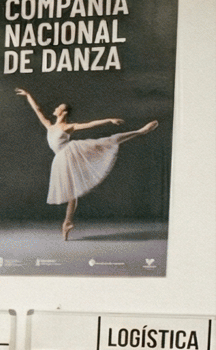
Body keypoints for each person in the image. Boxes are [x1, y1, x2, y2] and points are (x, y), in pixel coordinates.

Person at [12, 87, 160, 240]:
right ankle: (67, 222)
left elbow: (91, 123)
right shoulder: (49, 125)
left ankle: (140, 131)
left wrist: (109, 120)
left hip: (72, 152)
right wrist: (28, 95)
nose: (55, 108)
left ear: (63, 113)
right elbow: (37, 109)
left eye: (59, 108)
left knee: (107, 142)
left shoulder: (68, 127)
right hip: (61, 159)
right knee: (72, 192)